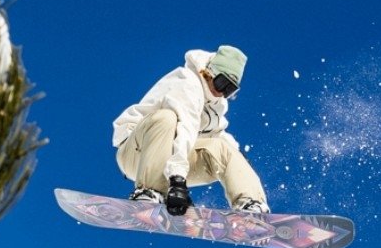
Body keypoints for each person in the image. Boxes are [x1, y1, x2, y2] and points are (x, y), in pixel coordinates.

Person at [112, 45, 269, 217]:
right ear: (208, 73)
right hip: (138, 153)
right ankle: (150, 191)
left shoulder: (217, 104)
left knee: (223, 148)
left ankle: (250, 206)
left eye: (230, 89)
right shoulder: (187, 82)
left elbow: (217, 135)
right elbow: (185, 128)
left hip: (171, 162)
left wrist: (238, 159)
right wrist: (178, 181)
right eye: (221, 83)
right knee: (167, 118)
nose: (222, 92)